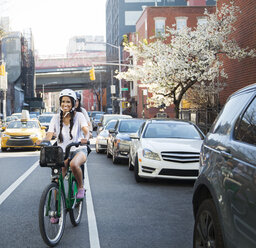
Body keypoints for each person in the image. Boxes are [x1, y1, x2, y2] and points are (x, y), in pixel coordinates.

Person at [36, 89, 89, 201]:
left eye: (68, 102)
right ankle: (56, 210)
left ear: (73, 103)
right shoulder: (55, 118)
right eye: (63, 101)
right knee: (57, 180)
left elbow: (86, 130)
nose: (65, 104)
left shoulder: (79, 116)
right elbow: (49, 135)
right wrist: (42, 141)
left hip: (78, 149)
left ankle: (80, 187)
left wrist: (86, 138)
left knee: (74, 164)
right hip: (63, 152)